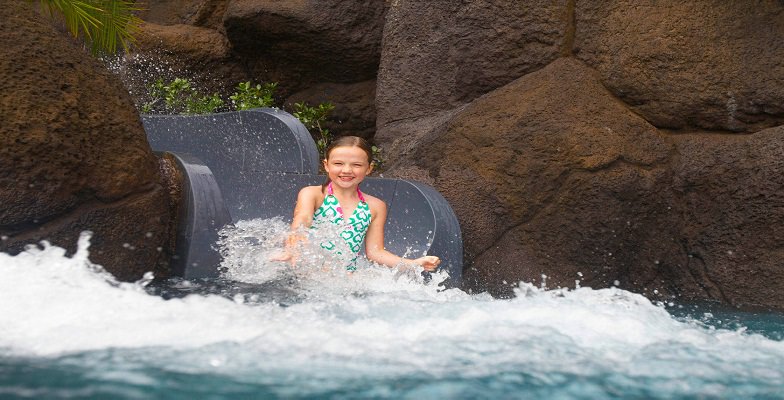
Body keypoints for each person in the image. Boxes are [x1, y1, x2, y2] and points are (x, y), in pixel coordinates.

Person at [274, 136, 441, 272]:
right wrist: (292, 247)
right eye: (338, 163)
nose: (347, 170)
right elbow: (302, 220)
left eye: (356, 165)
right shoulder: (313, 194)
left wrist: (412, 264)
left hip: (346, 280)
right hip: (310, 275)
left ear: (369, 168)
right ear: (326, 165)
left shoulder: (375, 206)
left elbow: (376, 253)